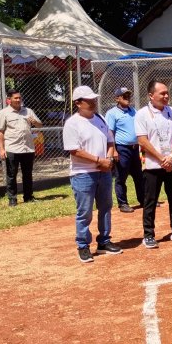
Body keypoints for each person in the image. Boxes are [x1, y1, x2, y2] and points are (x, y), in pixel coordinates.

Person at [62, 85, 122, 263]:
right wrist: (99, 160)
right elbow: (74, 150)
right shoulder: (72, 123)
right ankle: (83, 245)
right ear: (78, 103)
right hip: (83, 174)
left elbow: (110, 142)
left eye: (94, 99)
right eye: (89, 100)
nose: (93, 102)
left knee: (105, 207)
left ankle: (104, 241)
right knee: (85, 211)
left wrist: (109, 160)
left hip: (103, 172)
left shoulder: (100, 119)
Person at [134, 80, 172, 248]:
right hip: (152, 165)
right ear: (151, 95)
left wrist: (171, 156)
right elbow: (142, 140)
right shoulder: (142, 114)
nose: (166, 96)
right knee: (150, 200)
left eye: (167, 93)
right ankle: (148, 234)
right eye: (162, 93)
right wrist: (160, 158)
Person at [0, 88, 42, 206]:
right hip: (12, 148)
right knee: (11, 175)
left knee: (28, 174)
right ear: (9, 100)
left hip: (27, 148)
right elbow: (0, 132)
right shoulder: (3, 113)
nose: (18, 100)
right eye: (15, 98)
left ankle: (28, 197)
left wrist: (34, 122)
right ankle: (12, 199)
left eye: (20, 98)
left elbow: (39, 125)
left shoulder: (28, 111)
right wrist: (1, 149)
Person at [105, 87, 144, 213]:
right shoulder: (112, 113)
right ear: (117, 98)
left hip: (134, 148)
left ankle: (144, 200)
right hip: (122, 148)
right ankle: (123, 203)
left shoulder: (133, 111)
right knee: (121, 177)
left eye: (128, 95)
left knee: (139, 176)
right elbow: (110, 133)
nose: (127, 98)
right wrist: (114, 150)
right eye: (124, 96)